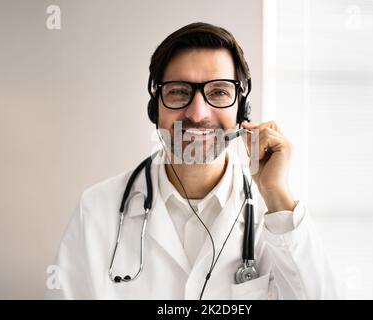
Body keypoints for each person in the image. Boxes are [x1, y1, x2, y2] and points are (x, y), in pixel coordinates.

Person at [45, 22, 339, 299]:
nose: (198, 113)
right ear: (154, 107)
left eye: (219, 92)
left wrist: (276, 194)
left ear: (242, 109)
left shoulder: (277, 213)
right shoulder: (97, 209)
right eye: (179, 92)